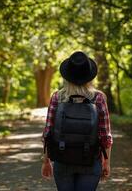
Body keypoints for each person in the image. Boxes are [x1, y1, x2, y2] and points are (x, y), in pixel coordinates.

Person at [41, 51, 113, 191]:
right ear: (89, 76)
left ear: (67, 76)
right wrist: (106, 162)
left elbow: (48, 133)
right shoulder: (98, 98)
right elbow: (105, 136)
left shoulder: (57, 97)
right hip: (91, 160)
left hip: (62, 160)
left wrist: (46, 161)